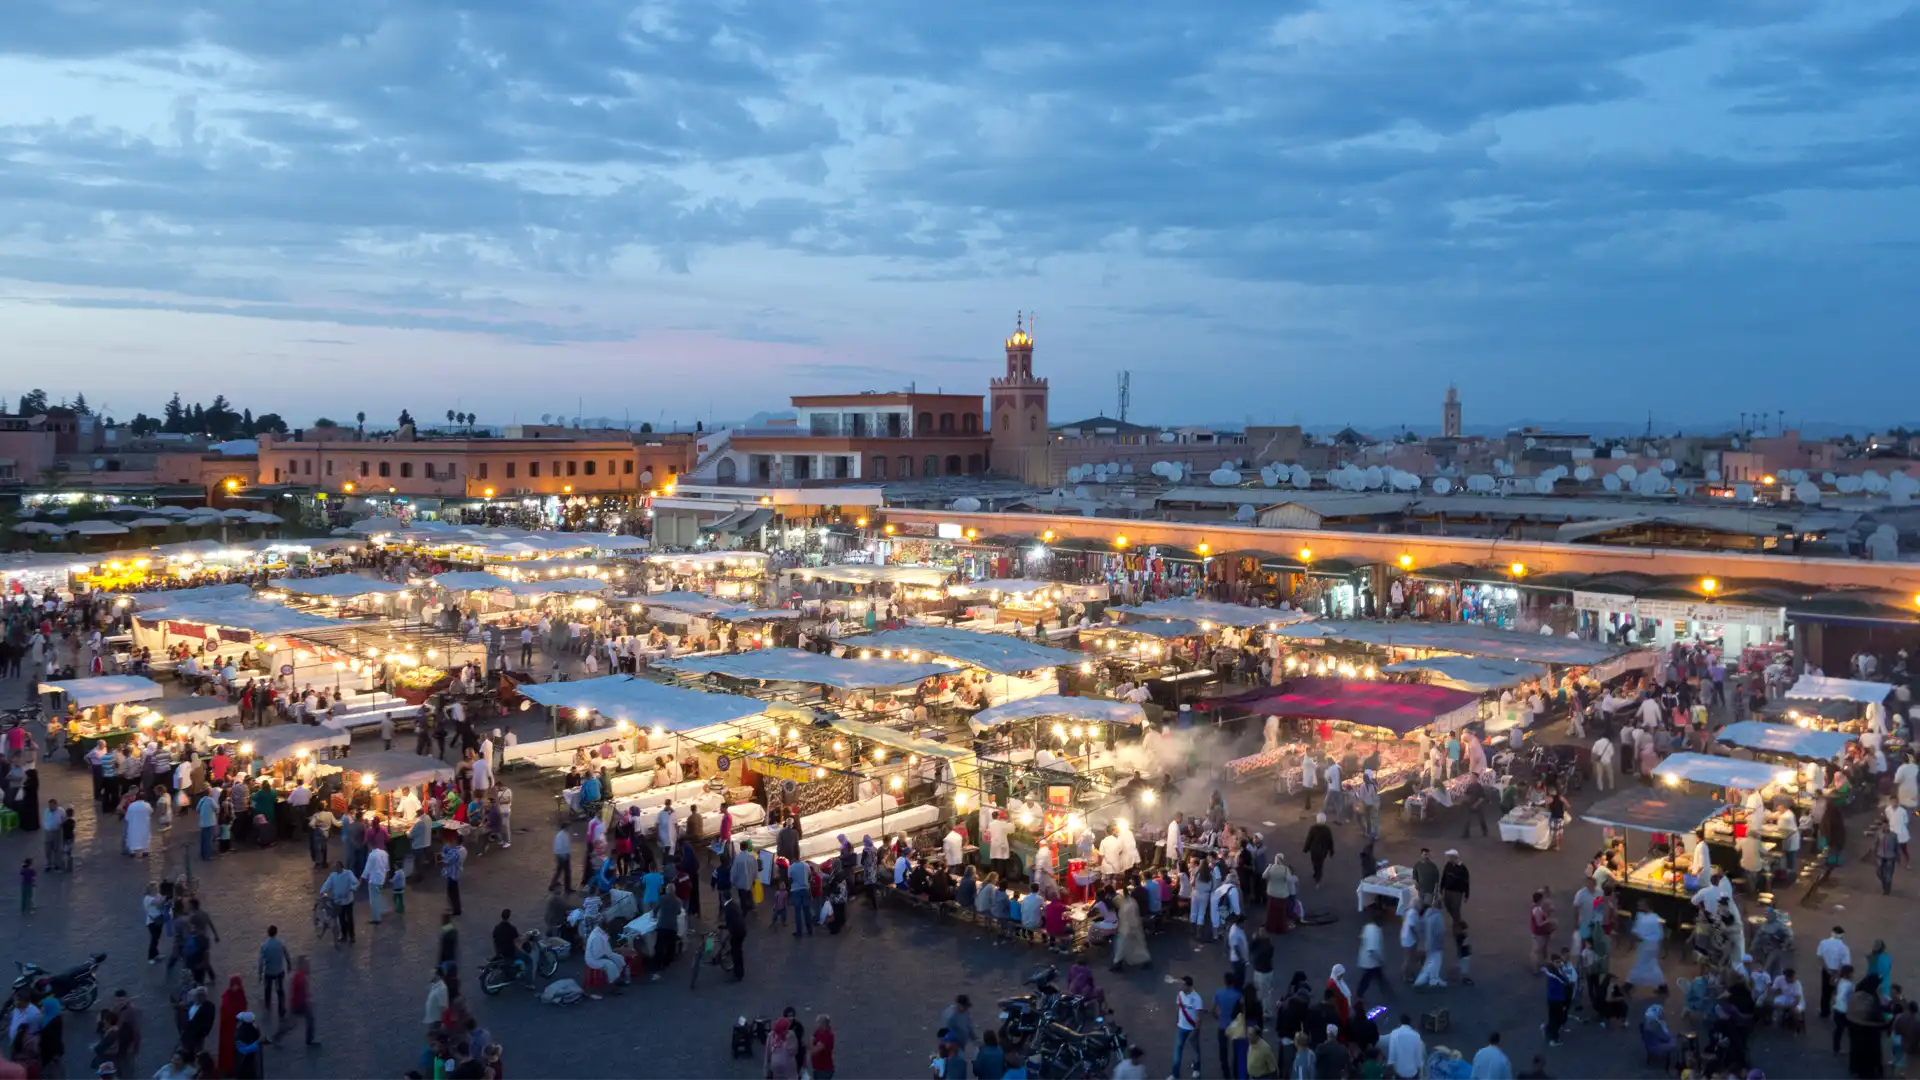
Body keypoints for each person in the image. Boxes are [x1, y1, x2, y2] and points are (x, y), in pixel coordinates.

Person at [1172, 974, 1205, 1079]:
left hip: (1192, 1028)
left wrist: (1196, 1030)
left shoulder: (1197, 998)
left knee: (1195, 1050)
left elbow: (1199, 1017)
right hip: (1181, 1027)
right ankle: (1175, 1074)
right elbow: (1179, 1007)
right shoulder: (1180, 994)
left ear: (1189, 986)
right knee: (1178, 1050)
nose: (1181, 987)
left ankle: (1196, 1069)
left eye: (1183, 985)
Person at [1384, 1015, 1424, 1080]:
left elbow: (1392, 1052)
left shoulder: (1394, 1034)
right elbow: (1418, 1053)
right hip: (1412, 1072)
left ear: (1400, 1022)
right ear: (1410, 1023)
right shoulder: (1416, 1035)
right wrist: (1419, 1065)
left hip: (1399, 1071)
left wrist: (1390, 1063)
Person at [1303, 815, 1334, 885]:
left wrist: (1306, 848)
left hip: (1314, 850)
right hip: (1323, 851)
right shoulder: (1327, 830)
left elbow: (1309, 839)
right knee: (1320, 864)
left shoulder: (1313, 828)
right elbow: (1330, 841)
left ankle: (1316, 873)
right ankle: (1318, 877)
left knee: (1314, 862)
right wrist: (1331, 851)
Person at [811, 1014, 836, 1080]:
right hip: (818, 1068)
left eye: (817, 1022)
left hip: (824, 1070)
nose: (816, 1024)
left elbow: (815, 1051)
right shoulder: (818, 1032)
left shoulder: (827, 1035)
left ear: (822, 1024)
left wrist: (807, 1044)